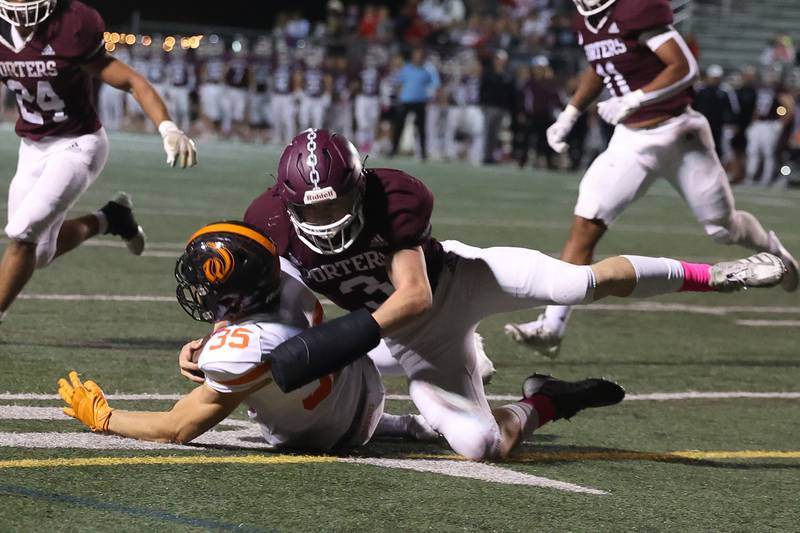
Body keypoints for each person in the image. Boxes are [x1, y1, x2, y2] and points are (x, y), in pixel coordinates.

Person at [197, 128, 785, 462]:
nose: (326, 217)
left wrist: (322, 344)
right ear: (286, 200)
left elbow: (414, 298)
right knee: (480, 445)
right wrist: (217, 342)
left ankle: (720, 273)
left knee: (577, 281)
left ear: (360, 184)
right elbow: (269, 303)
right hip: (399, 338)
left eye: (336, 201)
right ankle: (543, 402)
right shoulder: (267, 221)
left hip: (457, 283)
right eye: (313, 207)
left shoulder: (394, 196)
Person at [504, 0, 799, 358]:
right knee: (586, 225)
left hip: (679, 132)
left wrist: (635, 99)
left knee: (723, 229)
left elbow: (684, 67)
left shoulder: (635, 8)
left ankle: (773, 252)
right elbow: (600, 67)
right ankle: (552, 325)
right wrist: (570, 113)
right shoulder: (587, 19)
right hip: (631, 140)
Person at [59, 221, 438, 449]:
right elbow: (246, 322)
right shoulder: (285, 280)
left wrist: (104, 418)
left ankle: (401, 421)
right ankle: (405, 421)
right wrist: (214, 338)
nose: (201, 292)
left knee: (239, 381)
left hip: (330, 434)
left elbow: (177, 427)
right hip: (361, 382)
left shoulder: (250, 348)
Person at [0, 0, 197, 326]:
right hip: (32, 147)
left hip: (78, 144)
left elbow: (132, 81)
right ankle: (110, 218)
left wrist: (168, 127)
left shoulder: (70, 26)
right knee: (37, 254)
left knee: (22, 234)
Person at [390, 47, 439, 160]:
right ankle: (393, 150)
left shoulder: (428, 70)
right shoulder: (406, 68)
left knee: (421, 128)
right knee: (399, 126)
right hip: (405, 101)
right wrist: (398, 98)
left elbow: (435, 85)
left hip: (420, 101)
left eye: (420, 55)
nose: (418, 57)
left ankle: (423, 152)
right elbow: (399, 83)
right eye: (416, 54)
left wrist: (430, 96)